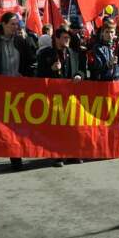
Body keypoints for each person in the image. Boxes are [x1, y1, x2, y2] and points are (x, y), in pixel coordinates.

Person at [0, 12, 36, 175]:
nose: (15, 26)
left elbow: (31, 62)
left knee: (14, 127)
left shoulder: (21, 41)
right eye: (12, 23)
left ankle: (15, 159)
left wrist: (26, 77)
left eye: (17, 24)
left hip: (15, 92)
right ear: (3, 24)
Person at [36, 28, 84, 166]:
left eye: (68, 38)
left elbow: (81, 69)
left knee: (72, 126)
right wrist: (50, 70)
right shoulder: (45, 54)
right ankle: (58, 155)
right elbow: (38, 76)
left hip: (71, 96)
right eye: (64, 37)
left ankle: (73, 154)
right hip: (54, 96)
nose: (67, 40)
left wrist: (79, 75)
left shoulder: (73, 53)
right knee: (58, 127)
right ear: (56, 39)